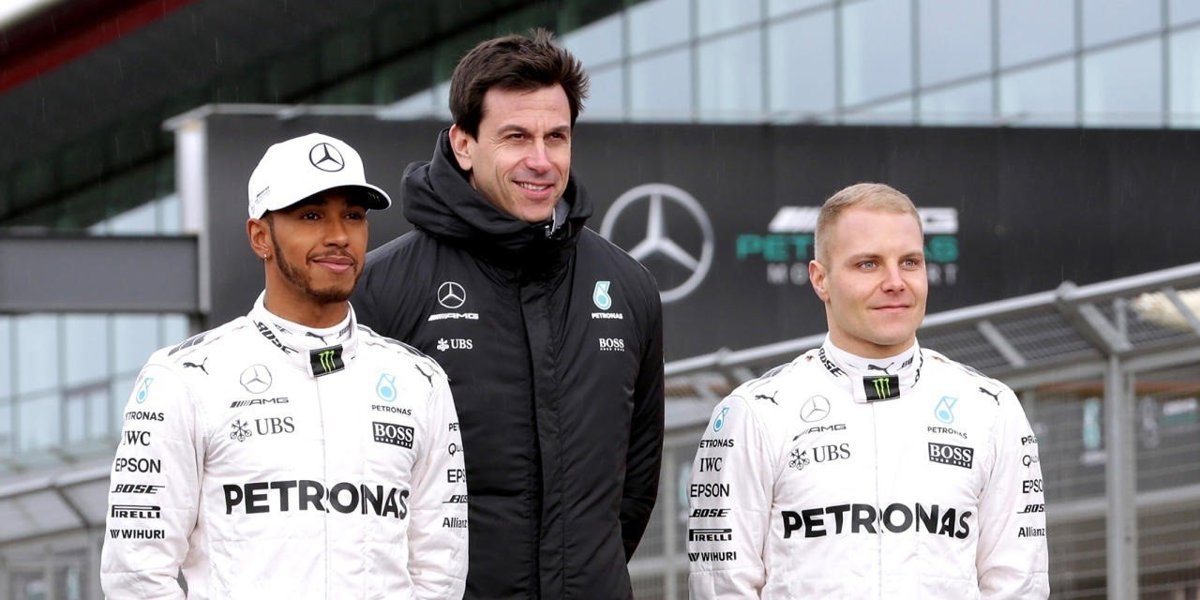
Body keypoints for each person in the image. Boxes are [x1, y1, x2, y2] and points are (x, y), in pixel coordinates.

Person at [352, 29, 664, 599]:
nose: (540, 161)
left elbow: (634, 489)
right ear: (464, 143)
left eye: (556, 137)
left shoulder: (628, 288)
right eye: (516, 136)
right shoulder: (379, 289)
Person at [100, 132, 468, 599]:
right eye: (311, 216)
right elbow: (135, 574)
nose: (338, 236)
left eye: (353, 216)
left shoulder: (420, 381)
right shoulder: (185, 378)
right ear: (260, 237)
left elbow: (441, 572)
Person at [687, 183, 1049, 598]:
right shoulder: (754, 413)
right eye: (868, 264)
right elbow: (722, 586)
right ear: (820, 279)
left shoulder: (991, 410)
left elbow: (1019, 585)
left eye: (910, 262)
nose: (895, 282)